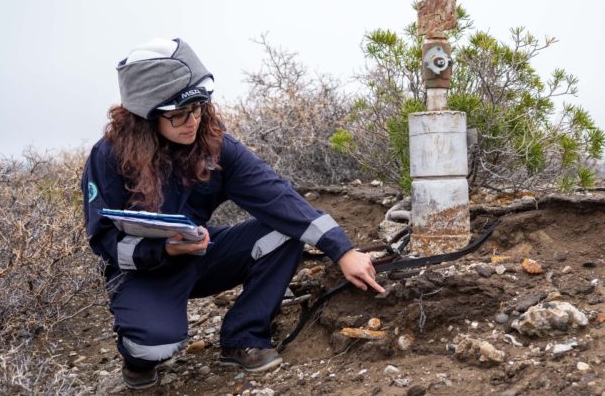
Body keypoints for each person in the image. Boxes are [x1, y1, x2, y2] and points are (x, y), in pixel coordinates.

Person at [81, 38, 384, 390]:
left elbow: (278, 197)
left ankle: (243, 336)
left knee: (288, 231)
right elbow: (104, 242)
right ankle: (138, 357)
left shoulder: (215, 146)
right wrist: (161, 250)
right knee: (155, 347)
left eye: (197, 108)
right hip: (143, 271)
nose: (191, 121)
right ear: (145, 116)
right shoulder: (109, 158)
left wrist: (342, 250)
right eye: (177, 114)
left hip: (200, 254)